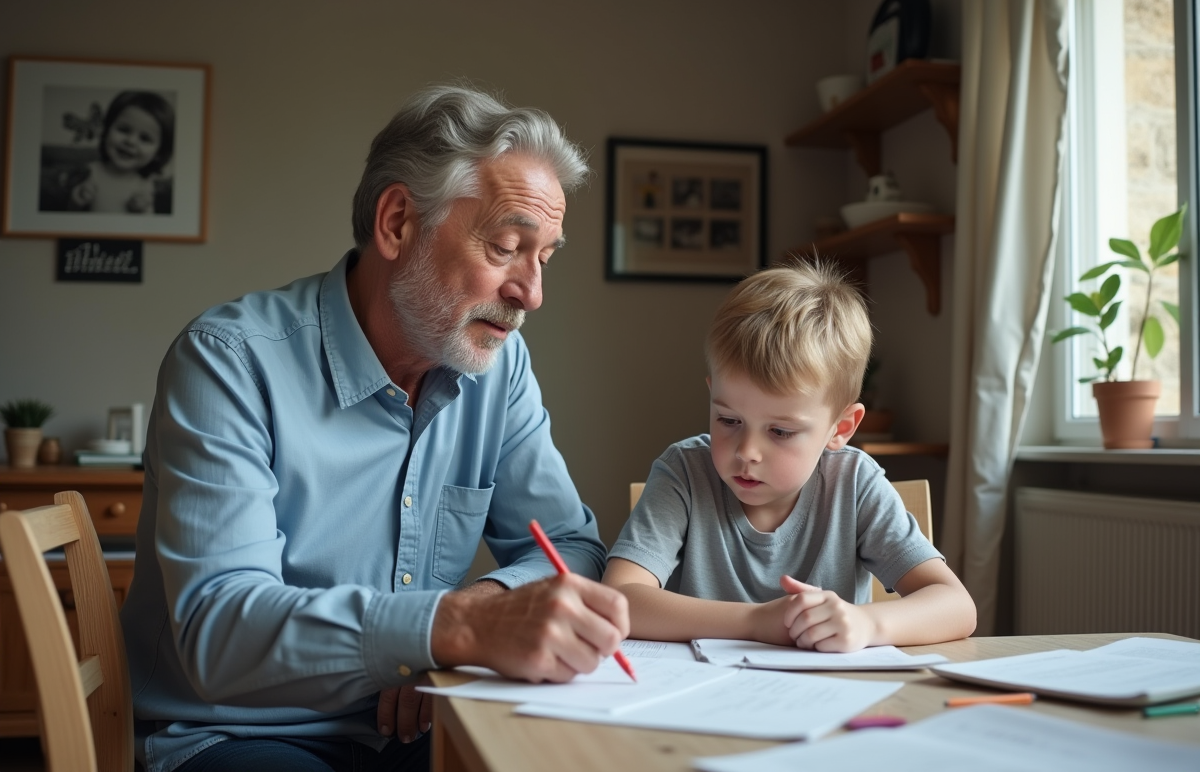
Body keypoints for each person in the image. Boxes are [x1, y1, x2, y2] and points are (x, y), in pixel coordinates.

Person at [120, 85, 629, 772]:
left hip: (419, 721)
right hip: (237, 735)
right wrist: (450, 628)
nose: (530, 293)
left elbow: (570, 545)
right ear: (397, 222)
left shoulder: (499, 369)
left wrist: (468, 616)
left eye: (544, 258)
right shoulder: (229, 361)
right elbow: (221, 633)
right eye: (508, 246)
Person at [603, 261, 976, 651]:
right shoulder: (684, 474)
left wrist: (867, 624)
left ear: (841, 428)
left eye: (780, 431)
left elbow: (957, 606)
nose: (747, 451)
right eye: (728, 419)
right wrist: (754, 622)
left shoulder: (855, 484)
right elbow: (620, 599)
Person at [41, 90, 175, 214]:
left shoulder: (145, 184)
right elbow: (67, 220)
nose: (131, 141)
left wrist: (144, 210)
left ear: (159, 153)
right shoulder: (89, 171)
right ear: (106, 130)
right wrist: (76, 202)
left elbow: (150, 230)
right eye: (123, 129)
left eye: (145, 138)